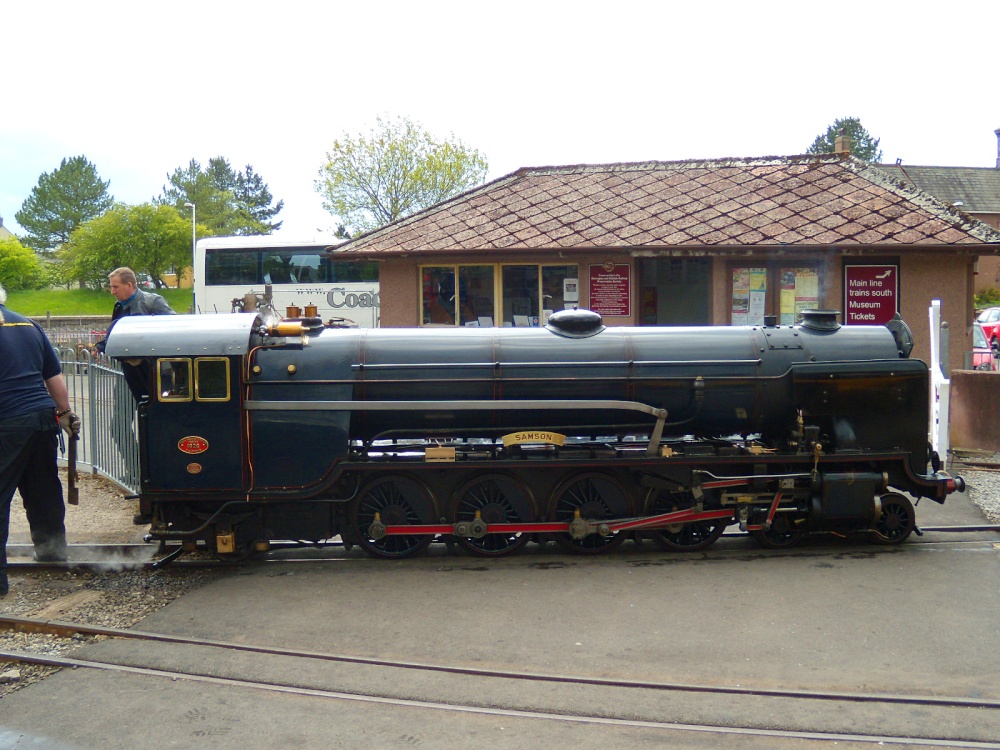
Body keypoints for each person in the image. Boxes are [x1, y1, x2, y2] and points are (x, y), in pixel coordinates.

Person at [0, 283, 81, 596]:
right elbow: (53, 376)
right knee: (42, 490)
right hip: (43, 419)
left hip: (8, 423)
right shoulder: (28, 325)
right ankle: (52, 554)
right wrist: (66, 413)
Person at [94, 268, 175, 521]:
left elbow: (175, 328)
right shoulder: (120, 306)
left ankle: (152, 480)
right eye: (111, 287)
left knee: (151, 428)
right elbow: (115, 334)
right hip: (127, 374)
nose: (112, 291)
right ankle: (138, 472)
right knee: (118, 426)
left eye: (115, 286)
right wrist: (101, 345)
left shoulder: (152, 302)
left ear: (130, 285)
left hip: (149, 375)